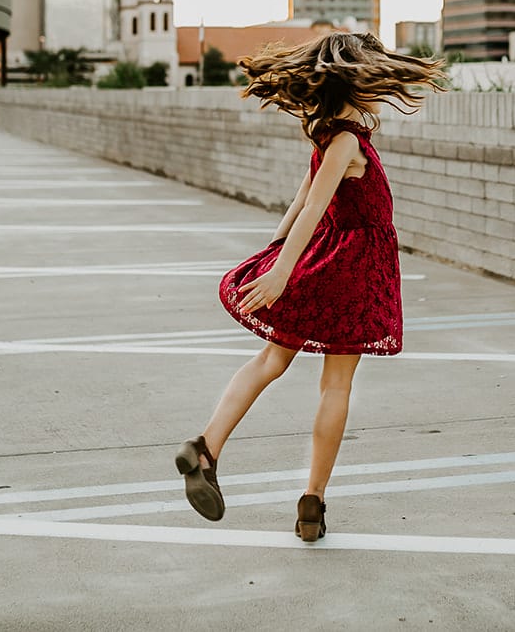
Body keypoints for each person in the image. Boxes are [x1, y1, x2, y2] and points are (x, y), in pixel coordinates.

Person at [175, 32, 444, 542]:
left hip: (324, 259)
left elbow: (300, 203)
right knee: (336, 385)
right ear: (358, 84)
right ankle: (312, 501)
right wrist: (277, 270)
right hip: (353, 269)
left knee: (270, 361)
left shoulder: (328, 138)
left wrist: (275, 252)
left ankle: (205, 448)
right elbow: (314, 207)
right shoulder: (346, 142)